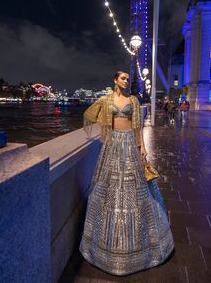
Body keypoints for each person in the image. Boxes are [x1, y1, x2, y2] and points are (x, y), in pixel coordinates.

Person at [79, 71, 174, 276]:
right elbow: (89, 114)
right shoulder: (106, 100)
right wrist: (105, 128)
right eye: (122, 78)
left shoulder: (133, 100)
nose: (126, 81)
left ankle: (144, 248)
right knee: (107, 188)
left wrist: (141, 146)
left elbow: (137, 125)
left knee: (137, 189)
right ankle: (101, 246)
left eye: (127, 79)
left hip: (130, 145)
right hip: (112, 145)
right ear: (114, 80)